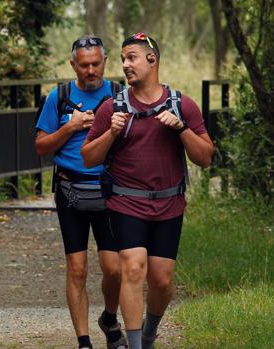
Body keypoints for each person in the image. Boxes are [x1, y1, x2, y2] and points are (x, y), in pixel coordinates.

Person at [81, 33, 214, 349]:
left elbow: (205, 158)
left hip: (169, 204)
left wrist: (181, 128)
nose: (125, 65)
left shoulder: (182, 105)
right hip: (126, 202)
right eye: (123, 59)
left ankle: (150, 331)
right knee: (133, 268)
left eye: (132, 58)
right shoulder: (112, 107)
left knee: (162, 280)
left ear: (152, 59)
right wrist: (111, 133)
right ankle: (137, 345)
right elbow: (89, 158)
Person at [35, 35, 127, 349]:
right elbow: (40, 147)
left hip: (108, 189)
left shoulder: (119, 95)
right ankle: (84, 341)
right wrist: (70, 127)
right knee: (77, 268)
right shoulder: (58, 97)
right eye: (84, 65)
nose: (90, 70)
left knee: (114, 270)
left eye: (95, 64)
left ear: (105, 62)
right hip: (69, 189)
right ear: (74, 64)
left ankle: (110, 319)